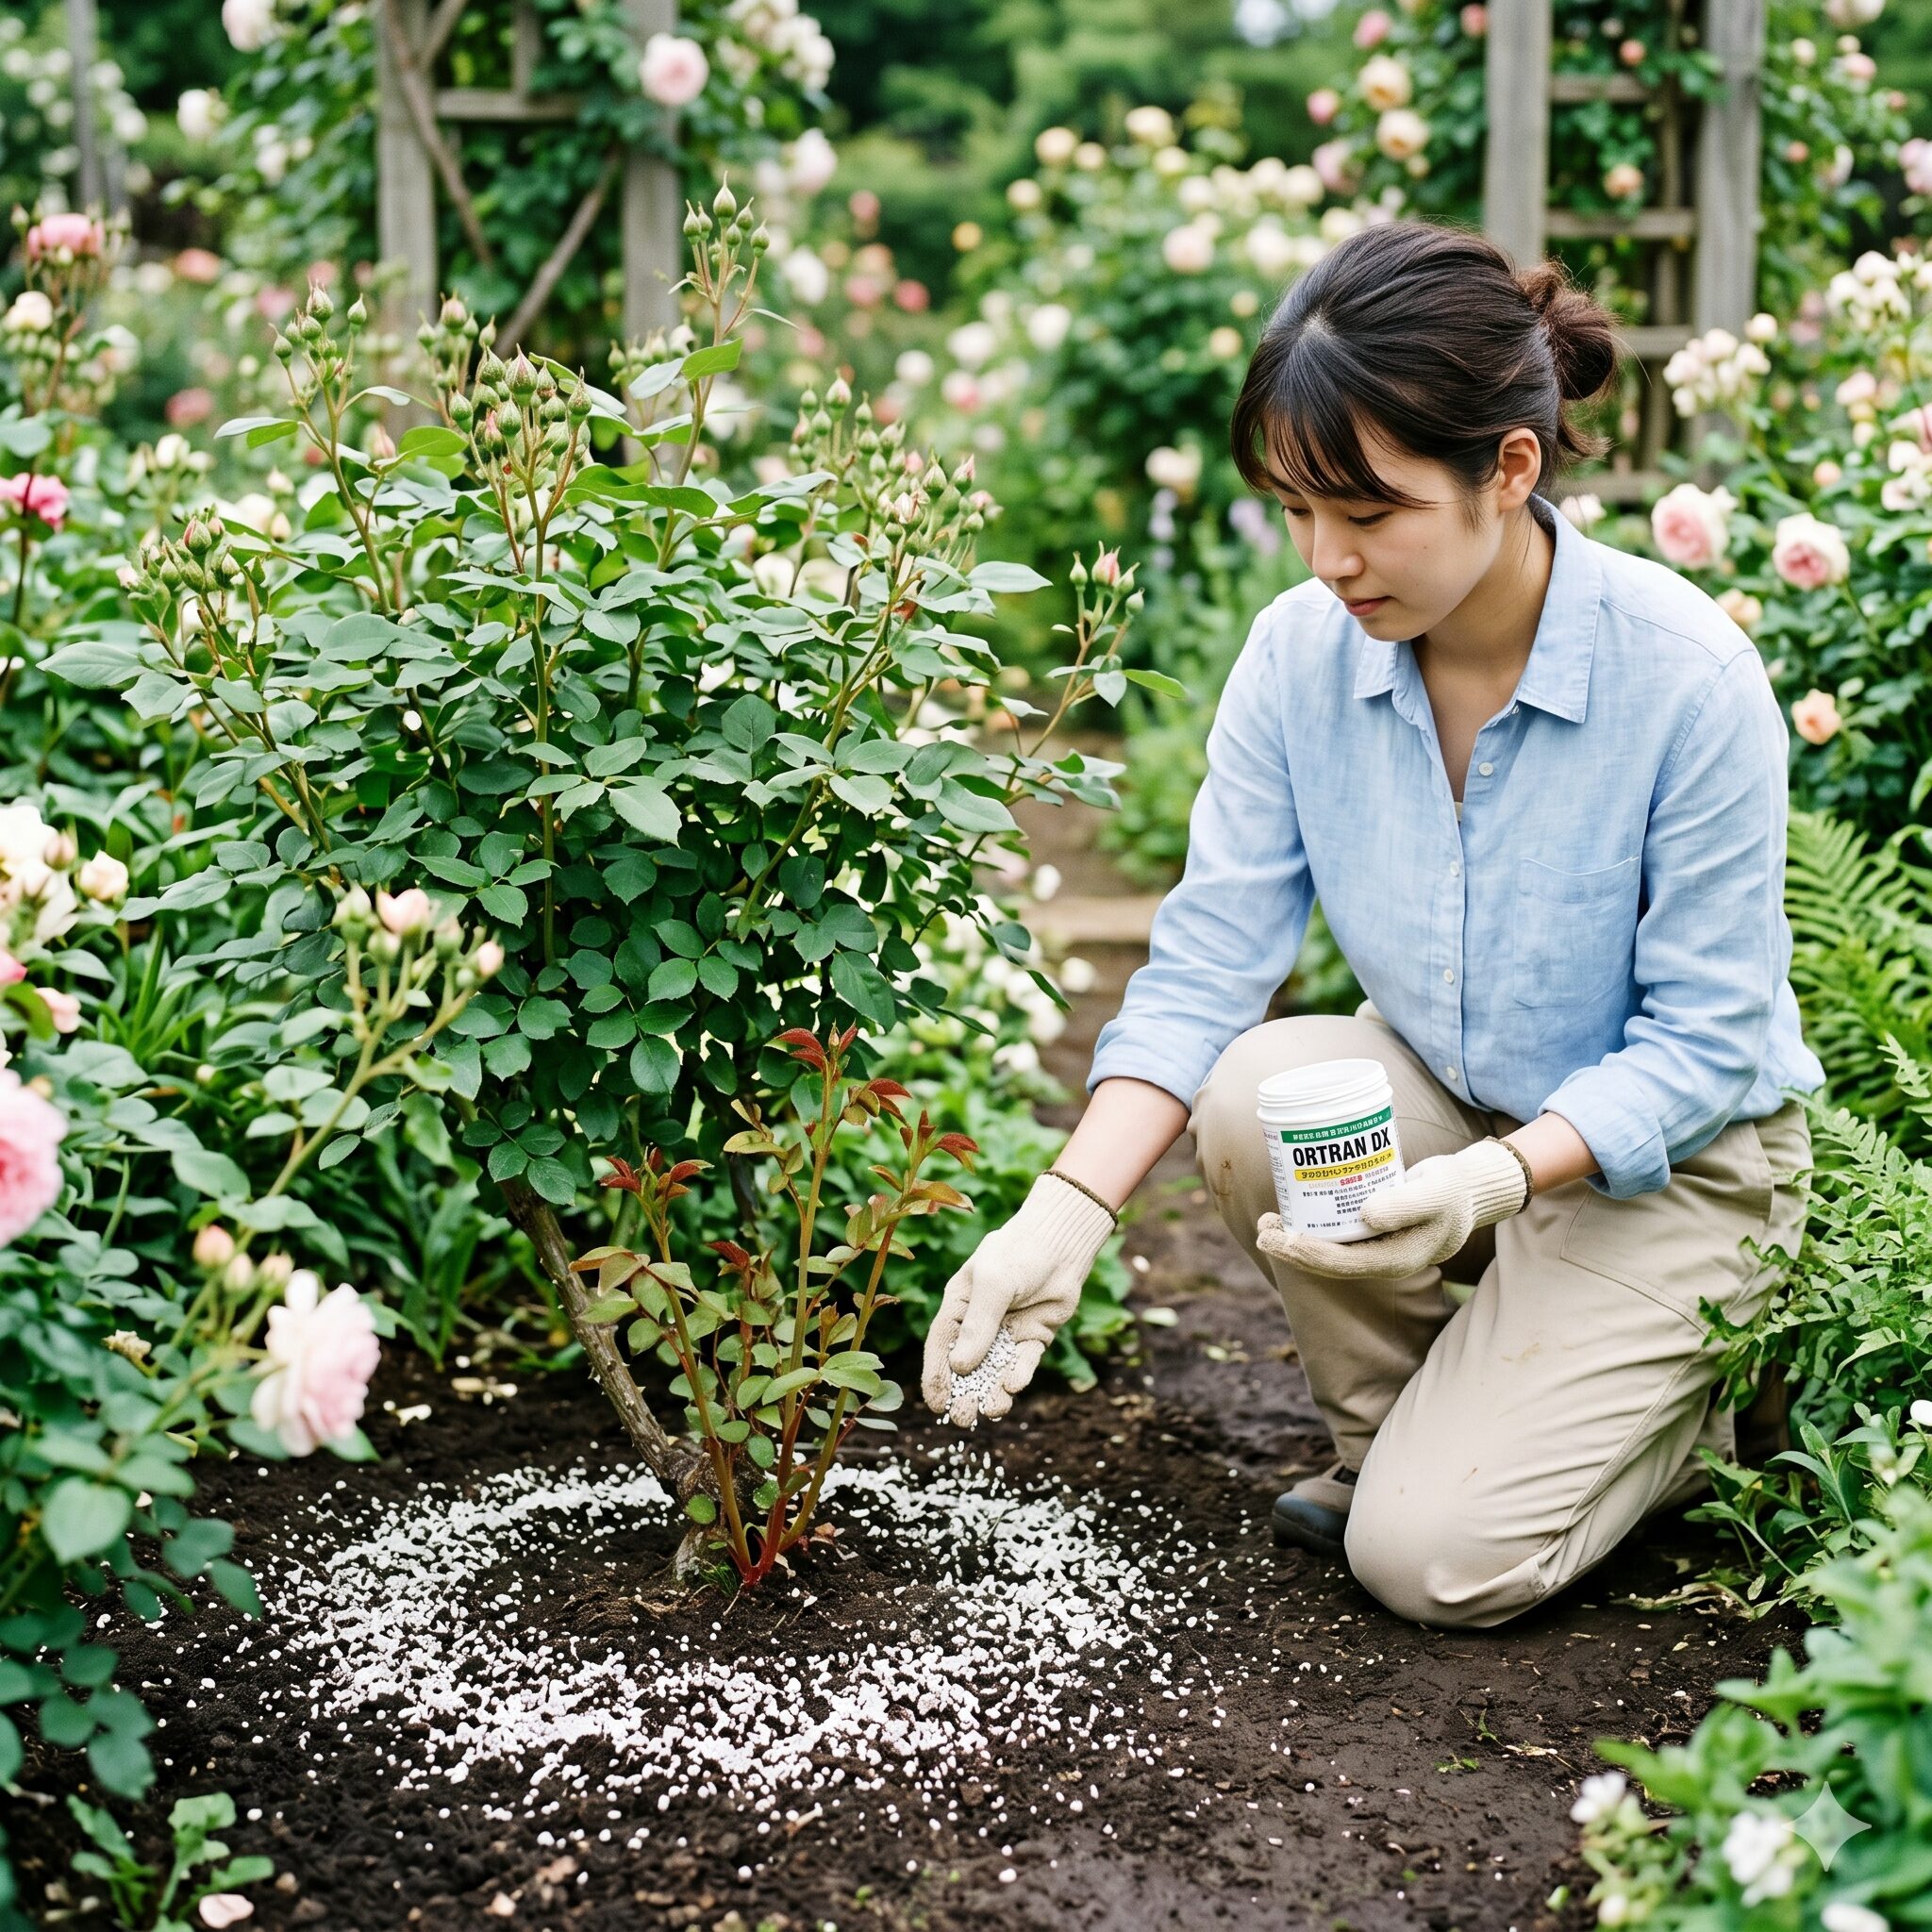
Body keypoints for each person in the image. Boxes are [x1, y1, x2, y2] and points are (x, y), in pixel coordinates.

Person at [918, 221, 1825, 1632]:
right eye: (1296, 508)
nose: (1329, 559)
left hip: (1673, 1172)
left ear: (1507, 470)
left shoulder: (1688, 679)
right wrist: (1068, 1208)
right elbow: (1213, 961)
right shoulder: (1298, 657)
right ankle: (1400, 1439)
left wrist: (1495, 1186)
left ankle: (1689, 1425)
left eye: (1371, 510)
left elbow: (1709, 1042)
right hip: (1458, 1113)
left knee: (1431, 1568)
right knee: (1258, 1093)